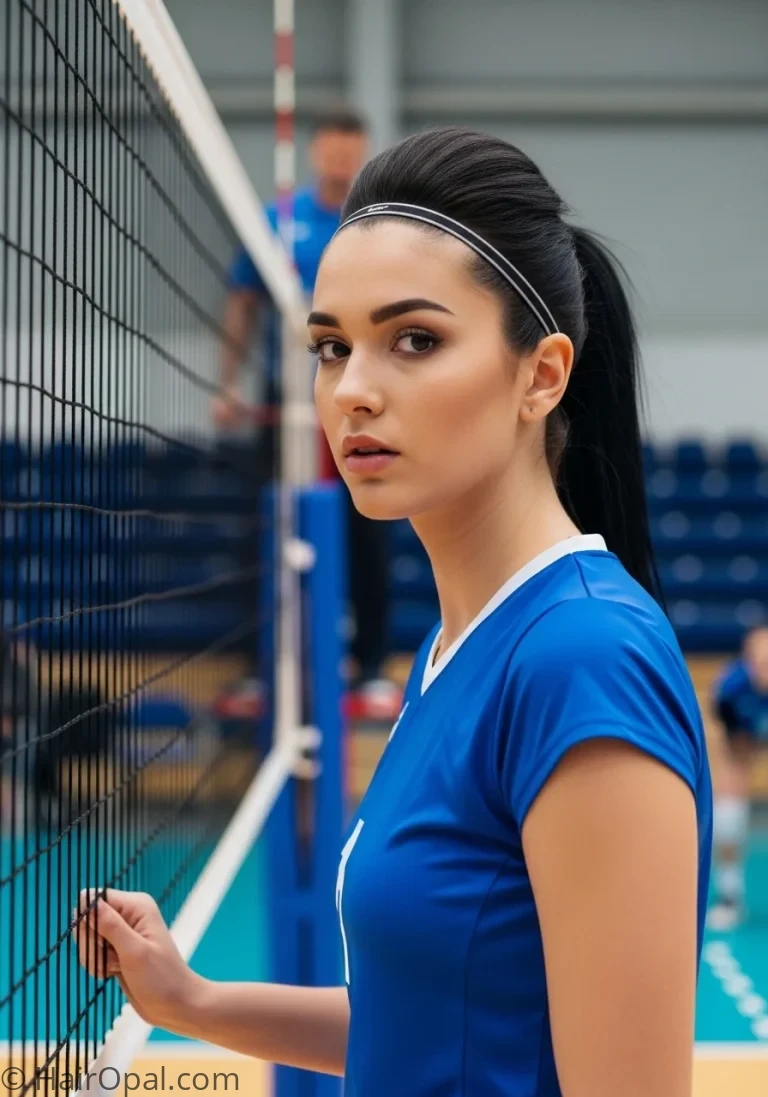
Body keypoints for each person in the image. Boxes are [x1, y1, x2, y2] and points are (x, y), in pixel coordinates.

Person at [75, 127, 712, 1097]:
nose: (353, 391)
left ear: (542, 374)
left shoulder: (581, 658)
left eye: (415, 339)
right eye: (332, 346)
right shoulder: (457, 646)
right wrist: (193, 1000)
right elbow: (435, 1014)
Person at [214, 107, 399, 714]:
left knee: (370, 529)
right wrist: (227, 385)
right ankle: (261, 671)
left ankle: (369, 669)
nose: (342, 158)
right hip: (287, 402)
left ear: (364, 151)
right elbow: (243, 301)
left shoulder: (381, 223)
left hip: (365, 395)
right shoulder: (280, 220)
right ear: (317, 151)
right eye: (333, 147)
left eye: (353, 148)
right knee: (270, 532)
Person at [707, 624, 768, 930]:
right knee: (729, 816)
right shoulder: (731, 688)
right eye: (758, 661)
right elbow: (724, 732)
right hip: (740, 739)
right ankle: (729, 897)